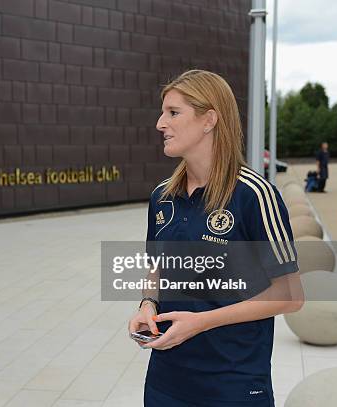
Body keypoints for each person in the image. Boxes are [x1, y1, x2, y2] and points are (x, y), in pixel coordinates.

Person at [128, 70, 304, 407]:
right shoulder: (161, 197)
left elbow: (291, 295)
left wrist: (201, 323)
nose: (160, 123)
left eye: (173, 112)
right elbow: (158, 269)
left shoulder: (254, 195)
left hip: (233, 384)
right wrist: (147, 305)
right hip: (166, 381)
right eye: (163, 112)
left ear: (209, 120)